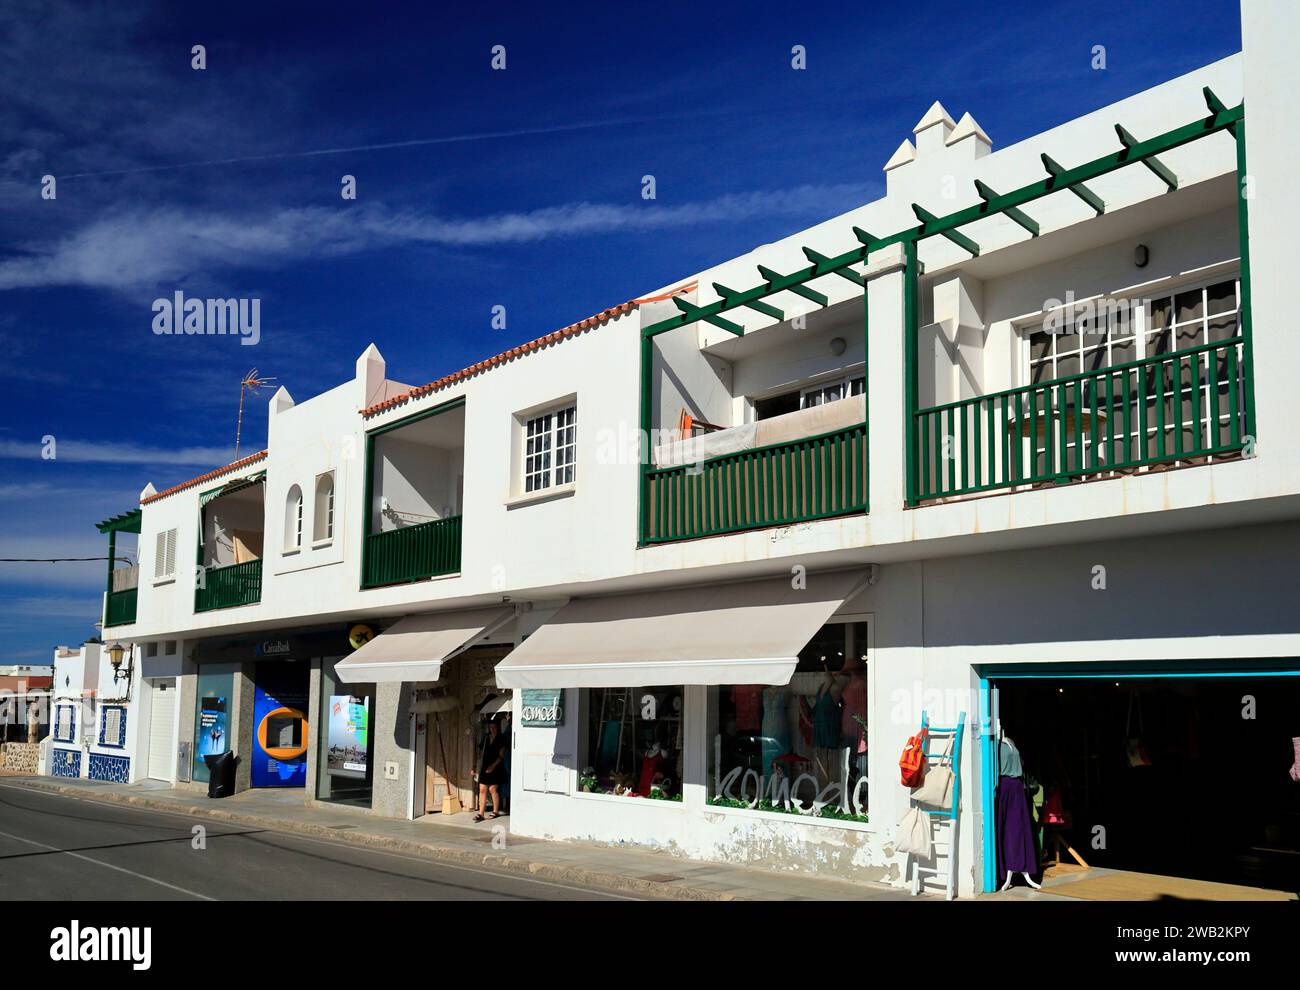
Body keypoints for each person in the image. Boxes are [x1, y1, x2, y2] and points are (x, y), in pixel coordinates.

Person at [473, 716, 507, 822]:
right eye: (490, 727)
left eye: (494, 727)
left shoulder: (501, 739)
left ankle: (495, 811)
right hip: (484, 766)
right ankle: (481, 814)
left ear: (497, 727)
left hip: (496, 767)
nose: (492, 729)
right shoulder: (486, 737)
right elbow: (479, 754)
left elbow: (501, 756)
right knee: (482, 790)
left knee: (493, 789)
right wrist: (475, 767)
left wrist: (493, 766)